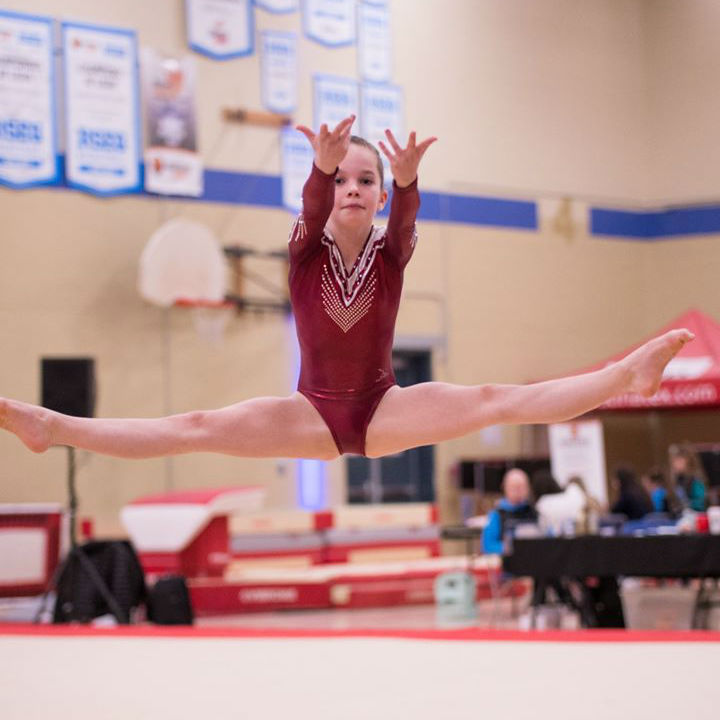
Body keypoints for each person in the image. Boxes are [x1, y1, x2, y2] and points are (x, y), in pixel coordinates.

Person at [0, 116, 695, 463]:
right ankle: (51, 426)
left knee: (492, 400)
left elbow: (408, 217)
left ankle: (627, 375)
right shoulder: (304, 250)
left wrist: (409, 182)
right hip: (310, 412)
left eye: (367, 180)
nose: (353, 189)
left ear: (380, 194)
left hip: (385, 407)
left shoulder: (394, 253)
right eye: (343, 180)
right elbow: (308, 208)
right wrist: (319, 167)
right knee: (196, 427)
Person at [481, 468, 537, 554]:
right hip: (508, 561)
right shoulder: (497, 515)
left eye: (522, 486)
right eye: (514, 487)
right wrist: (511, 548)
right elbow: (488, 546)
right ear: (505, 487)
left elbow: (548, 537)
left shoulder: (535, 512)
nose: (519, 490)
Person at [669, 444, 707, 512]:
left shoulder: (695, 480)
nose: (675, 464)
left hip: (695, 515)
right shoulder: (678, 479)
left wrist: (687, 505)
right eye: (674, 461)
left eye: (679, 461)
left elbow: (700, 503)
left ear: (687, 462)